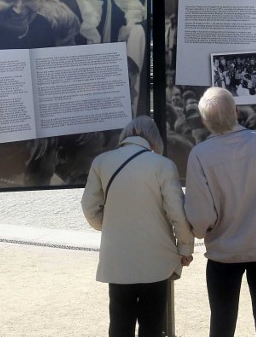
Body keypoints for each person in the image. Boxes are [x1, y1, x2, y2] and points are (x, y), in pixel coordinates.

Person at [184, 87, 256, 337]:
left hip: (224, 249)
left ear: (204, 121)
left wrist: (204, 230)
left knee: (222, 322)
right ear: (237, 112)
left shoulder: (200, 155)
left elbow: (201, 214)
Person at [81, 116, 194, 337]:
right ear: (154, 141)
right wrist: (185, 249)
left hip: (118, 257)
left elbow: (89, 207)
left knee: (120, 323)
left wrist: (108, 225)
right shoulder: (163, 165)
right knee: (152, 325)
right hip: (156, 260)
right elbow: (177, 215)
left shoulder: (102, 162)